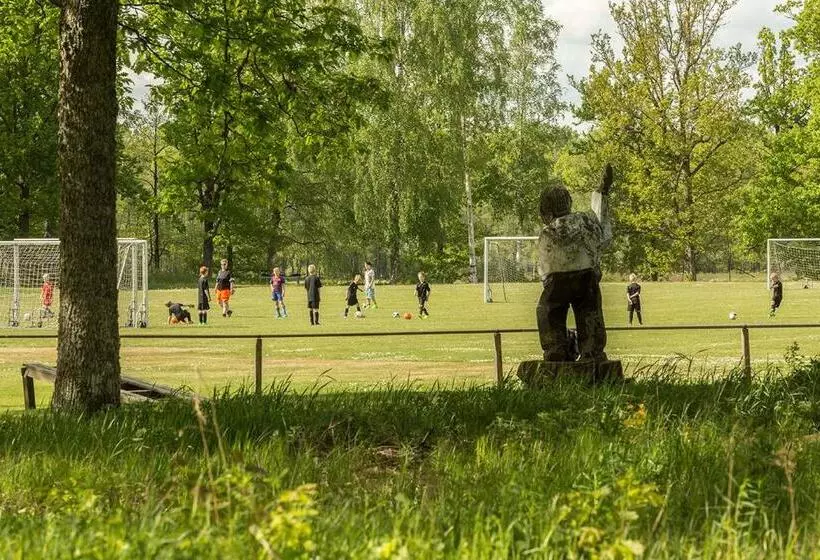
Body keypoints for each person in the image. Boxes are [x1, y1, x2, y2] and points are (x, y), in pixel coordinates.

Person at [536, 164, 613, 362]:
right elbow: (603, 233)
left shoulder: (548, 232)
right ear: (569, 203)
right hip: (587, 275)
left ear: (547, 213)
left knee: (549, 312)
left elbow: (545, 268)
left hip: (557, 279)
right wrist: (600, 194)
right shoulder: (586, 221)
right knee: (590, 312)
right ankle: (592, 352)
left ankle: (556, 351)